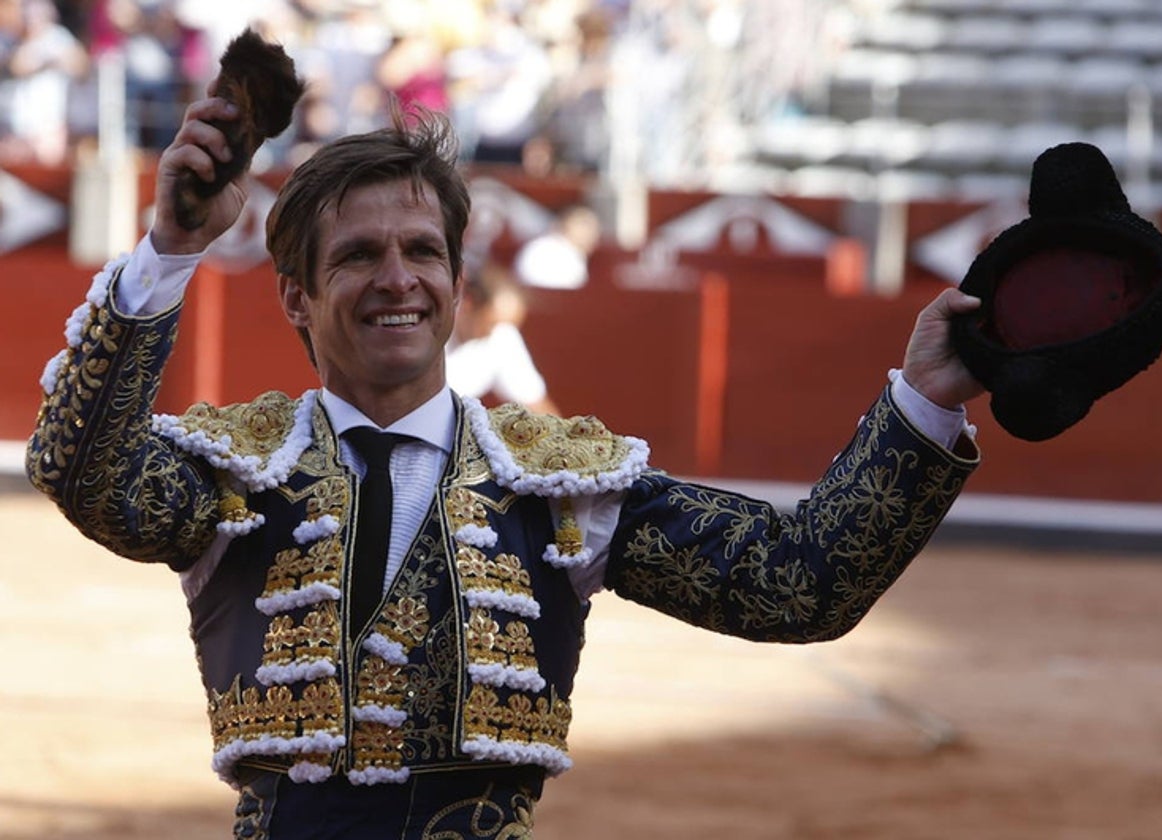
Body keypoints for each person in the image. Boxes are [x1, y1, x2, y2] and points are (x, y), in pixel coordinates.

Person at [26, 83, 983, 837]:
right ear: (296, 298)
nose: (397, 278)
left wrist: (926, 400)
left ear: (453, 280)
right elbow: (78, 465)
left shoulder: (564, 487)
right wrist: (172, 248)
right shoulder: (236, 472)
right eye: (358, 255)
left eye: (422, 251)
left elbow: (798, 583)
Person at [446, 258, 559, 415]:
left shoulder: (503, 337)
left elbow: (535, 404)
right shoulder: (427, 331)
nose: (496, 332)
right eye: (491, 324)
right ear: (468, 304)